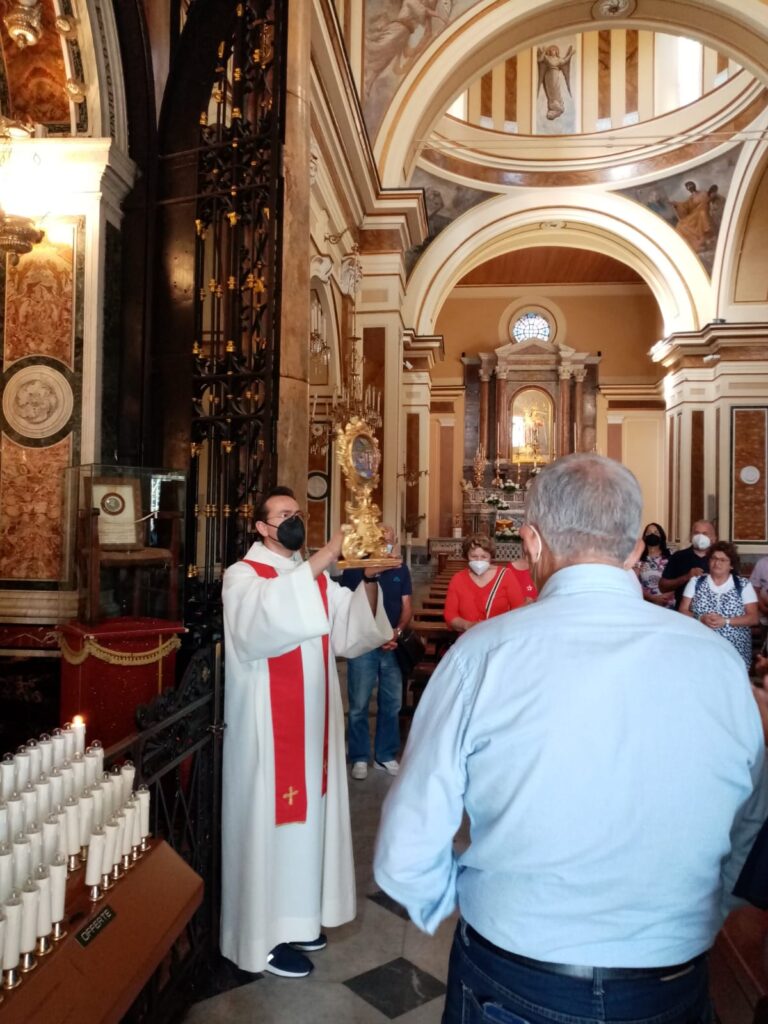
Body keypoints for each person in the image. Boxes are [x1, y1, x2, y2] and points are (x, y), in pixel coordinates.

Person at [374, 454, 767, 1024]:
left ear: (531, 541)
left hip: (514, 971)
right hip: (670, 979)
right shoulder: (718, 664)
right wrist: (701, 911)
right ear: (635, 549)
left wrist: (477, 906)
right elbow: (751, 823)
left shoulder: (481, 656)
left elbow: (404, 849)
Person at [220, 487, 393, 978]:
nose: (293, 521)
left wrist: (369, 578)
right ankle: (262, 938)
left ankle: (296, 918)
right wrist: (328, 553)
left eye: (298, 514)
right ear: (261, 527)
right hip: (266, 738)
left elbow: (353, 630)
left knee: (308, 824)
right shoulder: (243, 577)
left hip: (314, 727)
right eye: (283, 516)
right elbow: (263, 621)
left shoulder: (311, 579)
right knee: (267, 828)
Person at [341, 526, 413, 780]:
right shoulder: (354, 567)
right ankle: (359, 756)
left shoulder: (400, 568)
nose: (386, 543)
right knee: (359, 703)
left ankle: (385, 755)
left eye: (390, 540)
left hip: (390, 645)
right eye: (381, 539)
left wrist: (398, 632)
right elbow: (346, 603)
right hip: (363, 643)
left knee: (391, 703)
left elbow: (407, 605)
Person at [679, 540, 759, 667]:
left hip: (735, 650)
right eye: (714, 558)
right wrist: (700, 618)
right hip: (701, 646)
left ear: (731, 565)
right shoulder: (695, 582)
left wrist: (726, 621)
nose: (717, 563)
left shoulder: (743, 585)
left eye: (723, 560)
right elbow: (682, 611)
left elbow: (753, 618)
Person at [443, 533, 526, 631]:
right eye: (474, 556)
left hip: (498, 637)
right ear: (466, 556)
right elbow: (450, 615)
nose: (479, 561)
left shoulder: (506, 575)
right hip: (468, 638)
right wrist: (467, 625)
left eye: (484, 557)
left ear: (491, 557)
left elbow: (519, 610)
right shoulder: (458, 579)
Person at [659, 518, 717, 608]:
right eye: (696, 533)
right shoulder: (678, 557)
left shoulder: (720, 559)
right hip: (684, 611)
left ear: (713, 538)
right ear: (691, 536)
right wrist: (687, 577)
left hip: (714, 612)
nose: (700, 536)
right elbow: (663, 587)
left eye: (705, 534)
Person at [634, 521, 674, 607]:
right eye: (649, 532)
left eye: (656, 532)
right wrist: (652, 598)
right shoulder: (638, 557)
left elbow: (677, 579)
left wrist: (665, 597)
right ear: (644, 537)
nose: (652, 535)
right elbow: (634, 582)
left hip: (668, 601)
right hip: (646, 602)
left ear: (662, 536)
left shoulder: (671, 555)